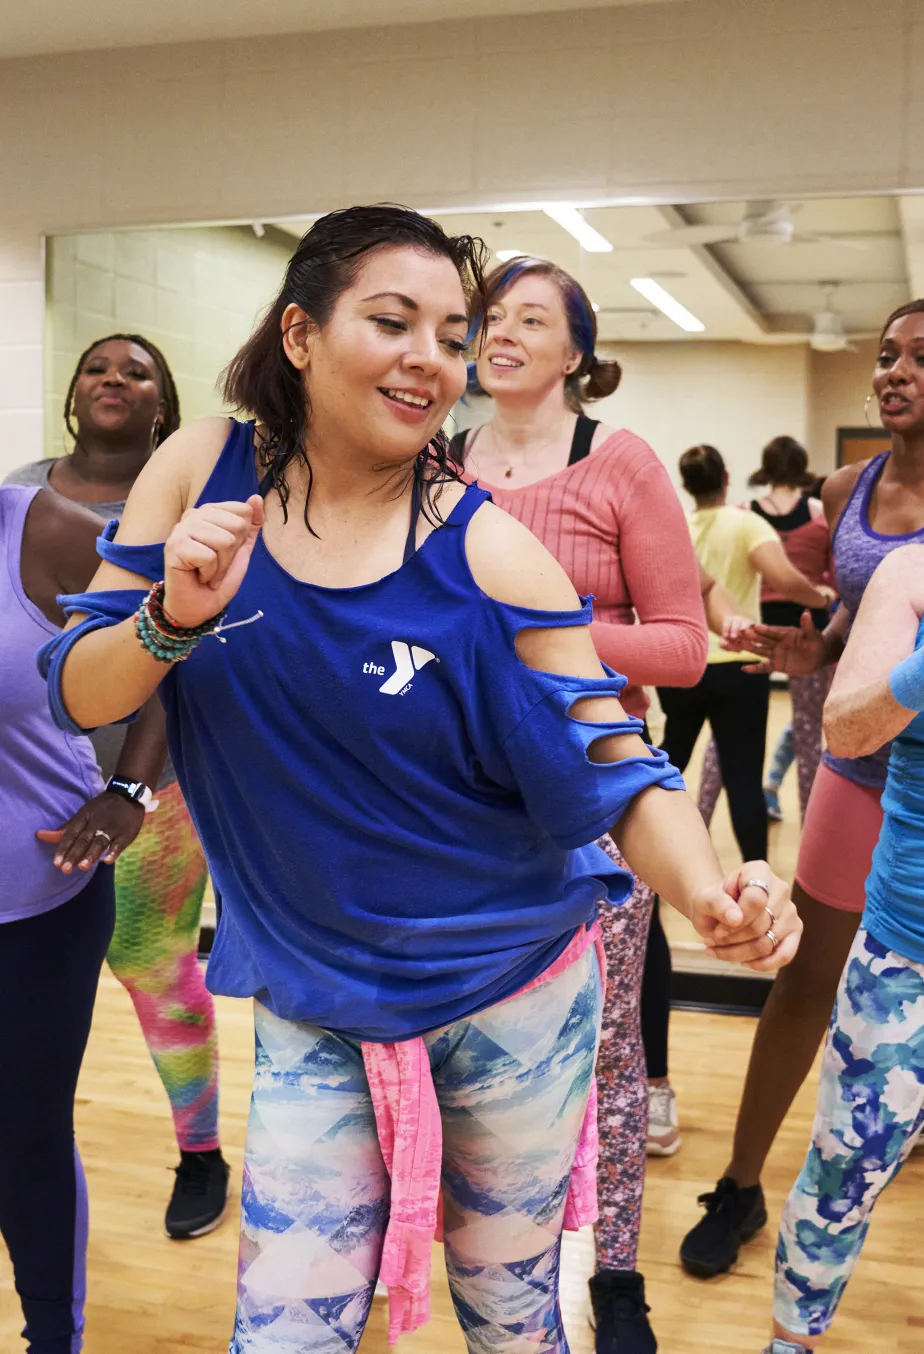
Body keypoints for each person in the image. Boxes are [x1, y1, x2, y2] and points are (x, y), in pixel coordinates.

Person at [40, 205, 802, 1354]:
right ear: (298, 334)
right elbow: (81, 693)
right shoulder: (201, 468)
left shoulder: (487, 546)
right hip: (313, 996)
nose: (430, 359)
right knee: (284, 1330)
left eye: (453, 335)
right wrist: (167, 619)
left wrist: (709, 894)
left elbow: (618, 762)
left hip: (507, 991)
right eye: (391, 322)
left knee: (507, 1318)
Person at [687, 296, 924, 1285]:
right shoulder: (845, 483)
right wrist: (795, 647)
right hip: (858, 762)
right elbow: (849, 625)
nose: (893, 371)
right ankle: (737, 1185)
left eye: (921, 356)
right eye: (885, 354)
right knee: (804, 977)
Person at [452, 253, 708, 1350]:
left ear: (576, 355)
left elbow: (682, 648)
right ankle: (476, 1245)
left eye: (528, 320)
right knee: (465, 1032)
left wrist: (534, 625)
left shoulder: (619, 463)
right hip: (458, 793)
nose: (499, 334)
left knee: (605, 1050)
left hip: (594, 784)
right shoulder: (436, 458)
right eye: (489, 317)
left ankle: (611, 1277)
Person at [6, 335, 230, 1240]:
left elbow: (187, 655)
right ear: (72, 395)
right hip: (33, 789)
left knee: (150, 965)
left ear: (161, 407)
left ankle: (201, 1153)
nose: (114, 380)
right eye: (98, 368)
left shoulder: (184, 496)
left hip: (152, 781)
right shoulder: (24, 490)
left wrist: (129, 793)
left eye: (137, 372)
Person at [762, 525, 924, 1354]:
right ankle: (791, 1342)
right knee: (843, 1171)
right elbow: (850, 734)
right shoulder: (922, 573)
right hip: (914, 949)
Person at [1, 483, 167, 1353]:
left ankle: (51, 1338)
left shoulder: (43, 532)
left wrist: (130, 789)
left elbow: (173, 650)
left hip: (36, 898)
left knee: (22, 1129)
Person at [656, 444, 832, 865]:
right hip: (738, 665)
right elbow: (785, 579)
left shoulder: (677, 525)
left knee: (668, 770)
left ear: (686, 485)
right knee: (743, 783)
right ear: (726, 479)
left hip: (682, 666)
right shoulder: (746, 523)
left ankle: (655, 873)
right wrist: (820, 597)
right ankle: (757, 879)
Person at [695, 435, 834, 825]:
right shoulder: (819, 512)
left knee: (726, 737)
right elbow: (830, 574)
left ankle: (700, 816)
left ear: (766, 469)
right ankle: (812, 824)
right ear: (802, 467)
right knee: (809, 737)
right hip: (809, 629)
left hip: (757, 632)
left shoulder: (746, 511)